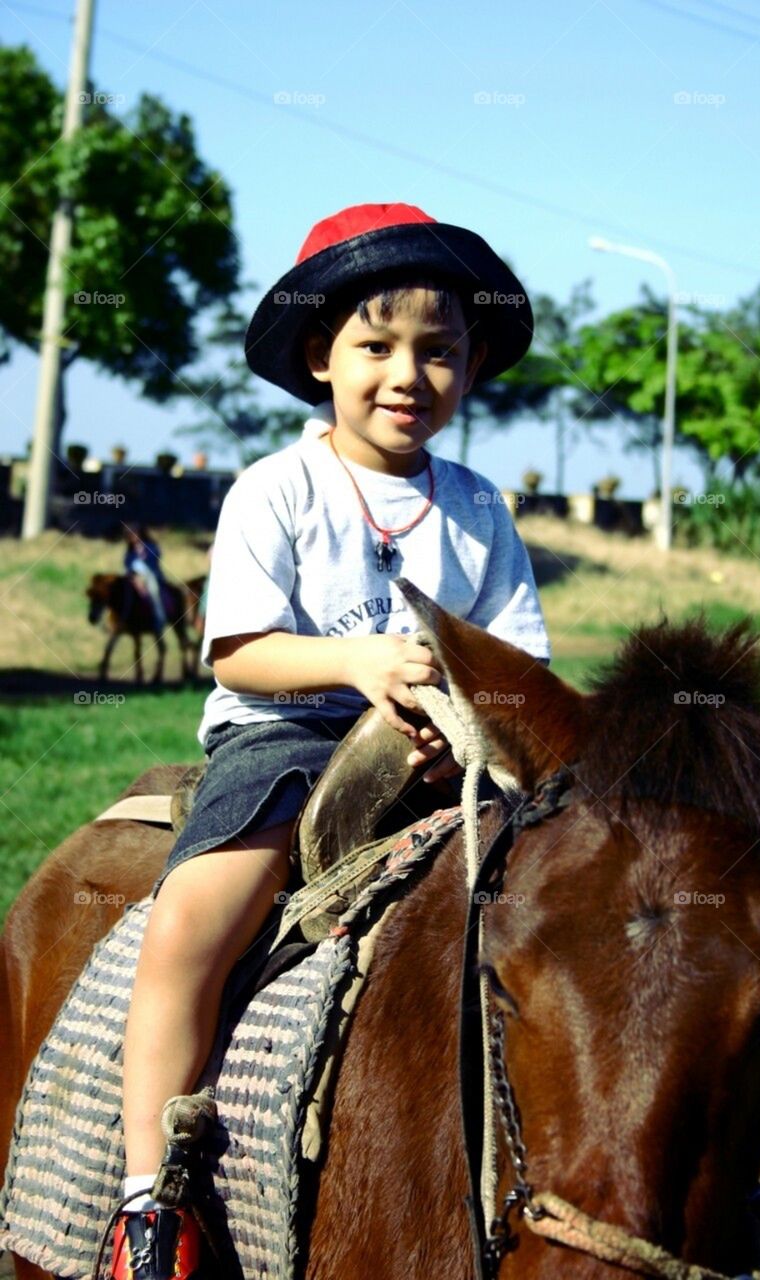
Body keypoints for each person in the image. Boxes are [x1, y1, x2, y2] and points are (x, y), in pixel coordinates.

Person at [108, 202, 551, 1280]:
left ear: (471, 366)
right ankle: (144, 1200)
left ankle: (664, 1168)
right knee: (192, 923)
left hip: (452, 747)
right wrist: (355, 664)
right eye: (376, 345)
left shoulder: (481, 507)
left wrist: (469, 713)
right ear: (321, 355)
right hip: (291, 734)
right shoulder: (278, 486)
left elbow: (521, 662)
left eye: (438, 350)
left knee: (581, 893)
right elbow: (239, 652)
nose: (408, 373)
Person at [123, 522, 169, 636]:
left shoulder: (151, 546)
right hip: (134, 577)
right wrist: (134, 577)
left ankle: (159, 617)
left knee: (153, 590)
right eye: (130, 536)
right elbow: (127, 564)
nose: (133, 538)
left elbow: (155, 561)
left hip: (150, 575)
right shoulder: (130, 551)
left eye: (134, 535)